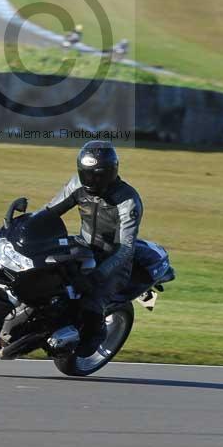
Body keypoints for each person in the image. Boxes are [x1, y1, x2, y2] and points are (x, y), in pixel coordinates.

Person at [46, 140, 143, 355]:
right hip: (83, 246)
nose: (91, 180)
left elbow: (126, 248)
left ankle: (95, 336)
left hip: (114, 260)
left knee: (91, 300)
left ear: (110, 173)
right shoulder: (77, 185)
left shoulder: (128, 201)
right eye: (86, 174)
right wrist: (25, 225)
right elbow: (49, 212)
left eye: (97, 175)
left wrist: (97, 276)